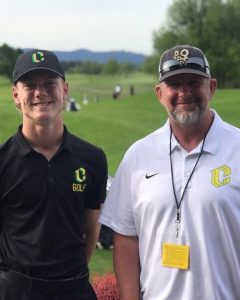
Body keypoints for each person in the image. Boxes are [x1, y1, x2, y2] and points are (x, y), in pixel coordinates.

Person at [99, 45, 240, 299]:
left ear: (212, 87)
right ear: (159, 93)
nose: (184, 92)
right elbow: (125, 239)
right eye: (174, 84)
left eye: (194, 82)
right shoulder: (138, 155)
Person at [0, 49, 108, 300]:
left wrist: (68, 279)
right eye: (30, 85)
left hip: (74, 290)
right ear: (16, 95)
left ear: (65, 89)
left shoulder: (92, 158)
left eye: (50, 83)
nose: (40, 92)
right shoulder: (3, 160)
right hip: (16, 290)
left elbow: (91, 228)